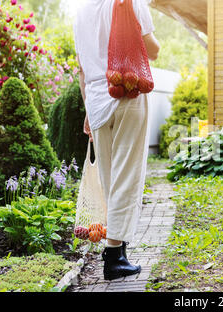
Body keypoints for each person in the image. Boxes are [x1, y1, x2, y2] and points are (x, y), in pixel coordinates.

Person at [73, 0, 160, 280]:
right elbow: (153, 51)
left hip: (97, 101)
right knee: (127, 175)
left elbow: (82, 70)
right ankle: (114, 256)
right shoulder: (130, 3)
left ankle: (116, 251)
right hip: (128, 93)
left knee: (110, 178)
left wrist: (88, 109)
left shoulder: (81, 12)